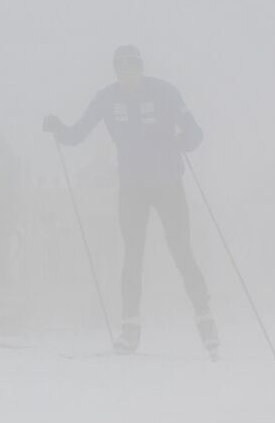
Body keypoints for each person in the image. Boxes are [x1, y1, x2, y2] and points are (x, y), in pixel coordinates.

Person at [44, 45, 217, 355]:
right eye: (120, 71)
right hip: (133, 187)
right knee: (132, 255)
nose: (126, 77)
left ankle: (206, 320)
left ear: (140, 68)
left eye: (131, 70)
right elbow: (77, 134)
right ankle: (130, 328)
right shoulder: (107, 98)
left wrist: (178, 143)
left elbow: (195, 133)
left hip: (168, 184)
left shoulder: (164, 91)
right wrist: (58, 129)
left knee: (181, 250)